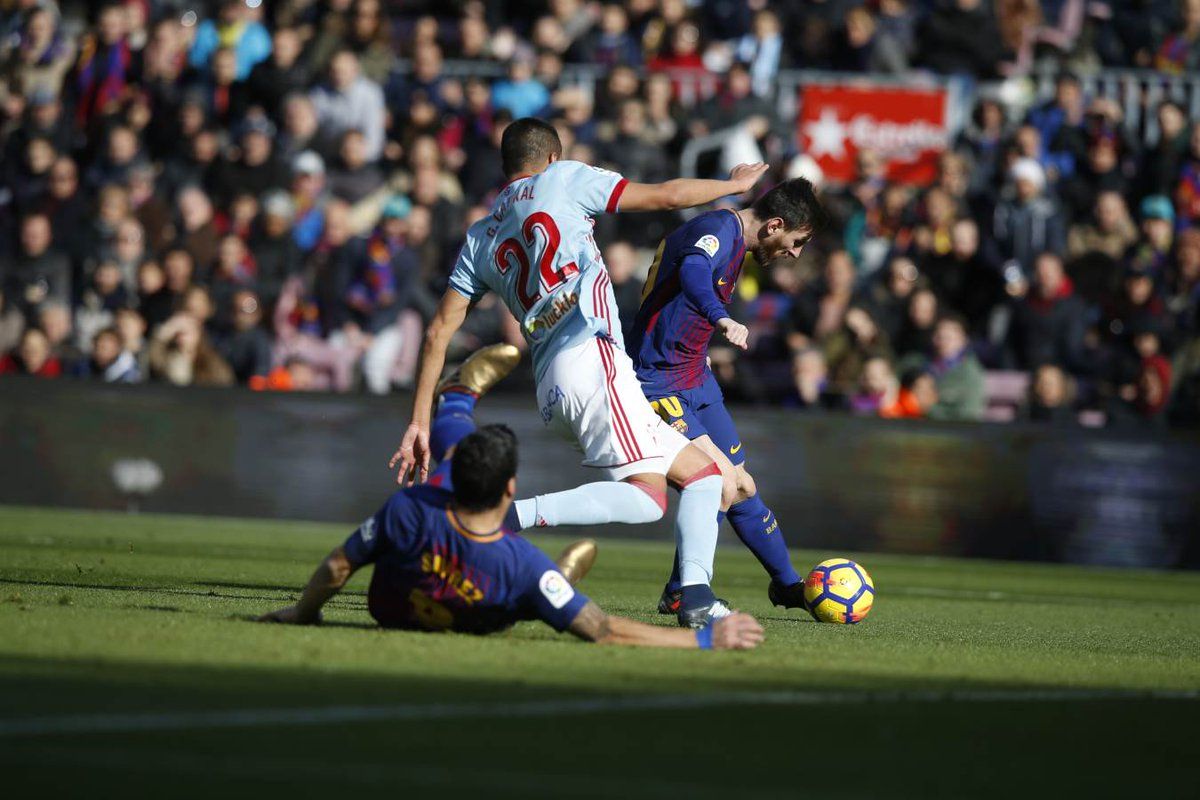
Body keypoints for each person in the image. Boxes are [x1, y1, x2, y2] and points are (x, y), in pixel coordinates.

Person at [390, 118, 769, 628]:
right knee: (647, 499)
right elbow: (665, 196)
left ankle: (695, 595)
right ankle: (501, 519)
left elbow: (438, 331)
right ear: (552, 157)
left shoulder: (481, 235)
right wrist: (733, 186)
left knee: (704, 477)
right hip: (593, 357)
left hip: (554, 382)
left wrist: (419, 421)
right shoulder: (562, 179)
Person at [262, 349, 764, 651]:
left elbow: (336, 567)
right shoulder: (523, 564)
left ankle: (457, 398)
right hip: (496, 605)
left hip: (394, 610)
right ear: (509, 490)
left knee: (461, 450)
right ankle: (458, 396)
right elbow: (604, 630)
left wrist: (303, 612)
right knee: (531, 595)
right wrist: (702, 639)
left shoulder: (413, 509)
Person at [625, 177, 828, 613]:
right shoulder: (718, 230)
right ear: (775, 225)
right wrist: (721, 319)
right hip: (658, 382)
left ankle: (787, 586)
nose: (795, 252)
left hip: (694, 375)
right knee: (716, 481)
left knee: (742, 486)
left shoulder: (733, 237)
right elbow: (695, 270)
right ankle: (683, 591)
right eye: (796, 241)